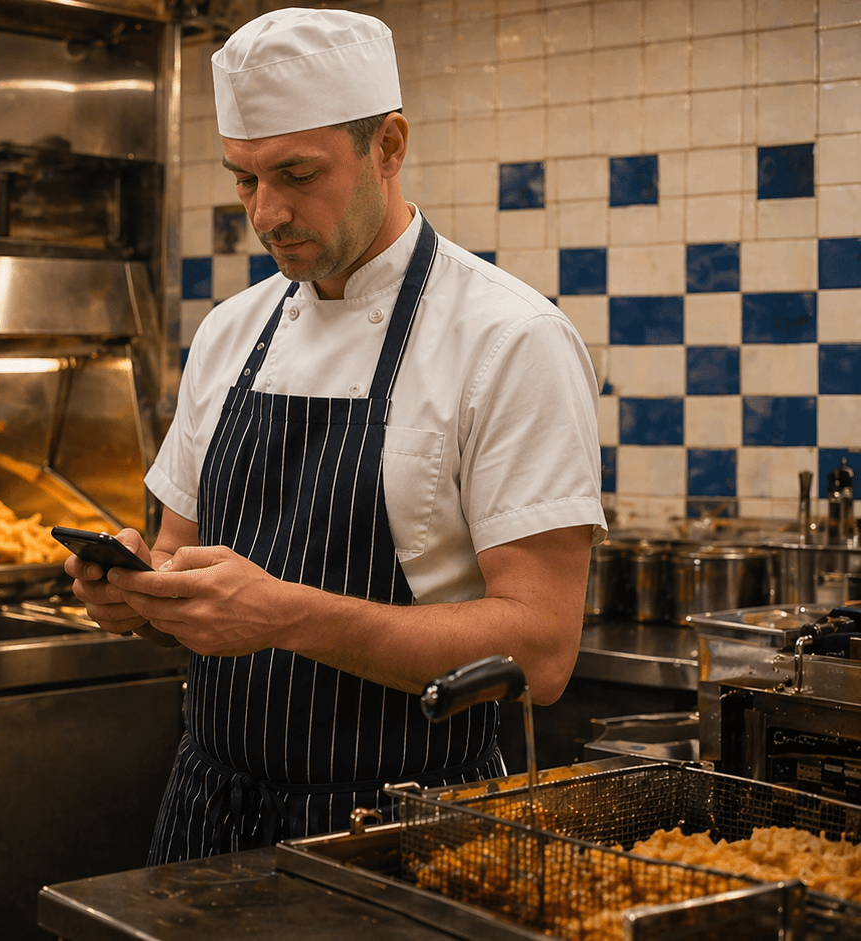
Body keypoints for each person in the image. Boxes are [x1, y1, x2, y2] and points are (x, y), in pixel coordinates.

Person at [65, 8, 606, 865]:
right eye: (244, 179)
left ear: (388, 146)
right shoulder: (230, 332)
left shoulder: (509, 339)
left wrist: (285, 615)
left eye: (296, 173)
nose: (267, 212)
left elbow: (540, 652)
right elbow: (179, 559)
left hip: (408, 830)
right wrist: (138, 599)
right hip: (209, 813)